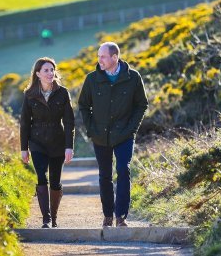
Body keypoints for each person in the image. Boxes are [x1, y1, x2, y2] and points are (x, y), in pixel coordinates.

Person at [78, 42, 148, 227]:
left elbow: (142, 105)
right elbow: (83, 105)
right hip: (100, 136)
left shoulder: (133, 77)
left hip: (124, 135)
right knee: (105, 175)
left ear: (114, 57)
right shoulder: (92, 79)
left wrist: (131, 129)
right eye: (98, 56)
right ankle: (108, 215)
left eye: (103, 56)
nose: (99, 60)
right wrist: (91, 129)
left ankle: (121, 216)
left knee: (123, 170)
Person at [20, 57, 75, 228]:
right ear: (38, 74)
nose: (50, 73)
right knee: (41, 176)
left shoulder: (62, 92)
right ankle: (46, 218)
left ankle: (55, 217)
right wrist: (24, 149)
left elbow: (69, 122)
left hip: (58, 143)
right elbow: (24, 123)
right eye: (46, 70)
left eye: (52, 70)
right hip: (37, 143)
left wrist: (69, 146)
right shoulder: (29, 95)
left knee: (55, 180)